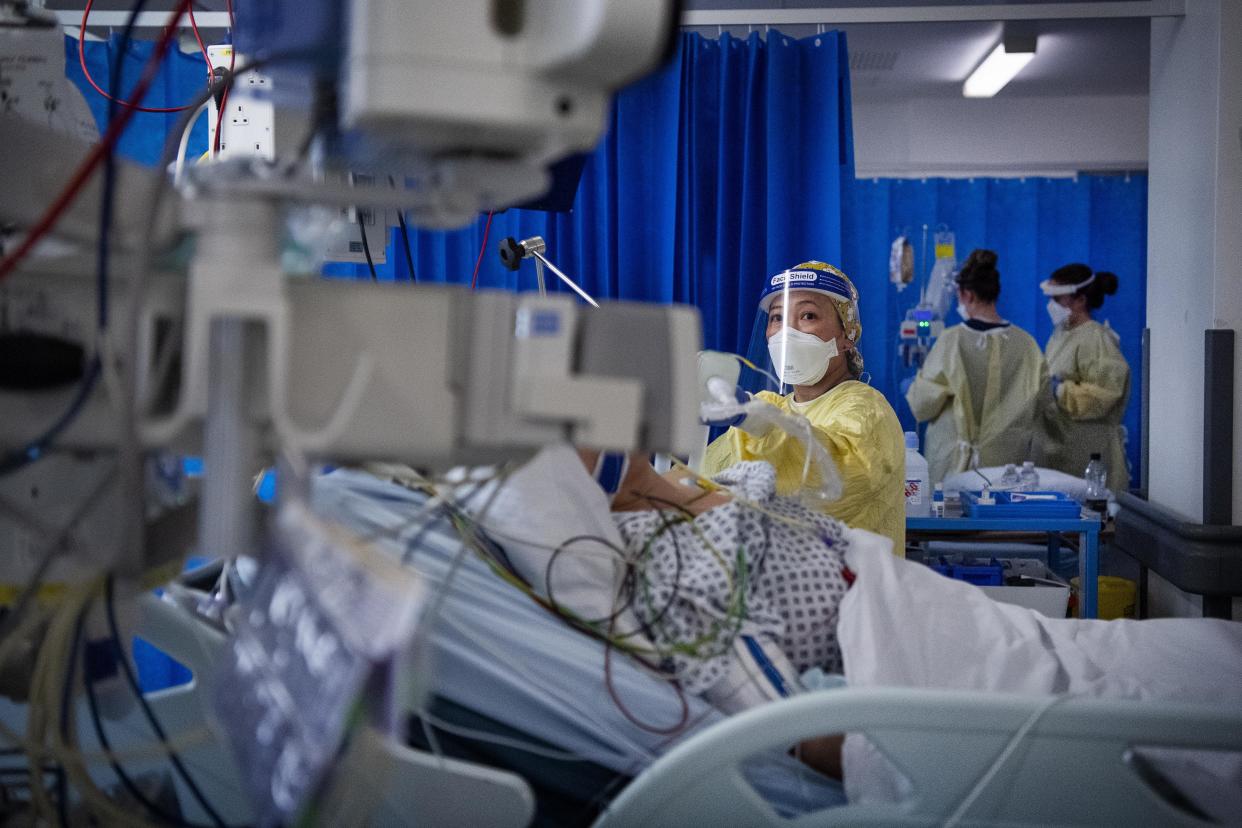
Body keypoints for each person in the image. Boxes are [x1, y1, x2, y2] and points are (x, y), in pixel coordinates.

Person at [700, 261, 906, 555]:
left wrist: (756, 422)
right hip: (782, 589)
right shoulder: (773, 408)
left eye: (807, 316)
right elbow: (708, 475)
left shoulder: (866, 409)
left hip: (850, 592)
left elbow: (832, 477)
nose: (787, 332)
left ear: (846, 336)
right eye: (777, 318)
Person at [905, 249, 1048, 484]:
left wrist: (914, 387)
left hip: (953, 467)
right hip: (1007, 468)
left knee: (951, 517)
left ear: (966, 294)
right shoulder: (1027, 345)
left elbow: (922, 406)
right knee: (998, 518)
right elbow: (1043, 406)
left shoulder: (951, 341)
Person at [1036, 264, 1130, 491]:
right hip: (1062, 446)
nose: (1052, 305)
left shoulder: (1095, 338)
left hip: (1088, 452)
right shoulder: (1060, 335)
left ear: (1080, 300)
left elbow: (1106, 394)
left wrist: (1059, 390)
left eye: (1058, 299)